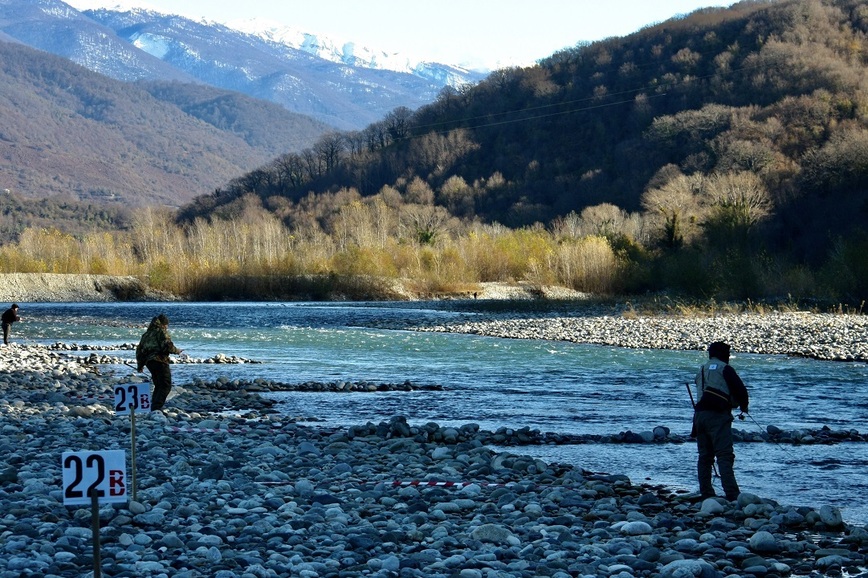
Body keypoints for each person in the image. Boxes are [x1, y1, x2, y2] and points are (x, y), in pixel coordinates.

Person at [693, 341, 749, 501]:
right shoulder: (725, 368)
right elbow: (740, 390)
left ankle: (706, 493)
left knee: (704, 456)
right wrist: (744, 407)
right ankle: (732, 494)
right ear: (724, 354)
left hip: (699, 415)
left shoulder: (702, 369)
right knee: (724, 455)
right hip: (718, 415)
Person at [136, 314, 182, 411]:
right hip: (160, 361)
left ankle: (154, 407)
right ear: (163, 324)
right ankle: (156, 408)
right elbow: (167, 346)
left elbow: (139, 350)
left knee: (158, 385)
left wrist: (140, 365)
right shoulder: (161, 332)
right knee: (165, 385)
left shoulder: (146, 334)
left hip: (149, 362)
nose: (167, 327)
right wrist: (177, 351)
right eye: (166, 325)